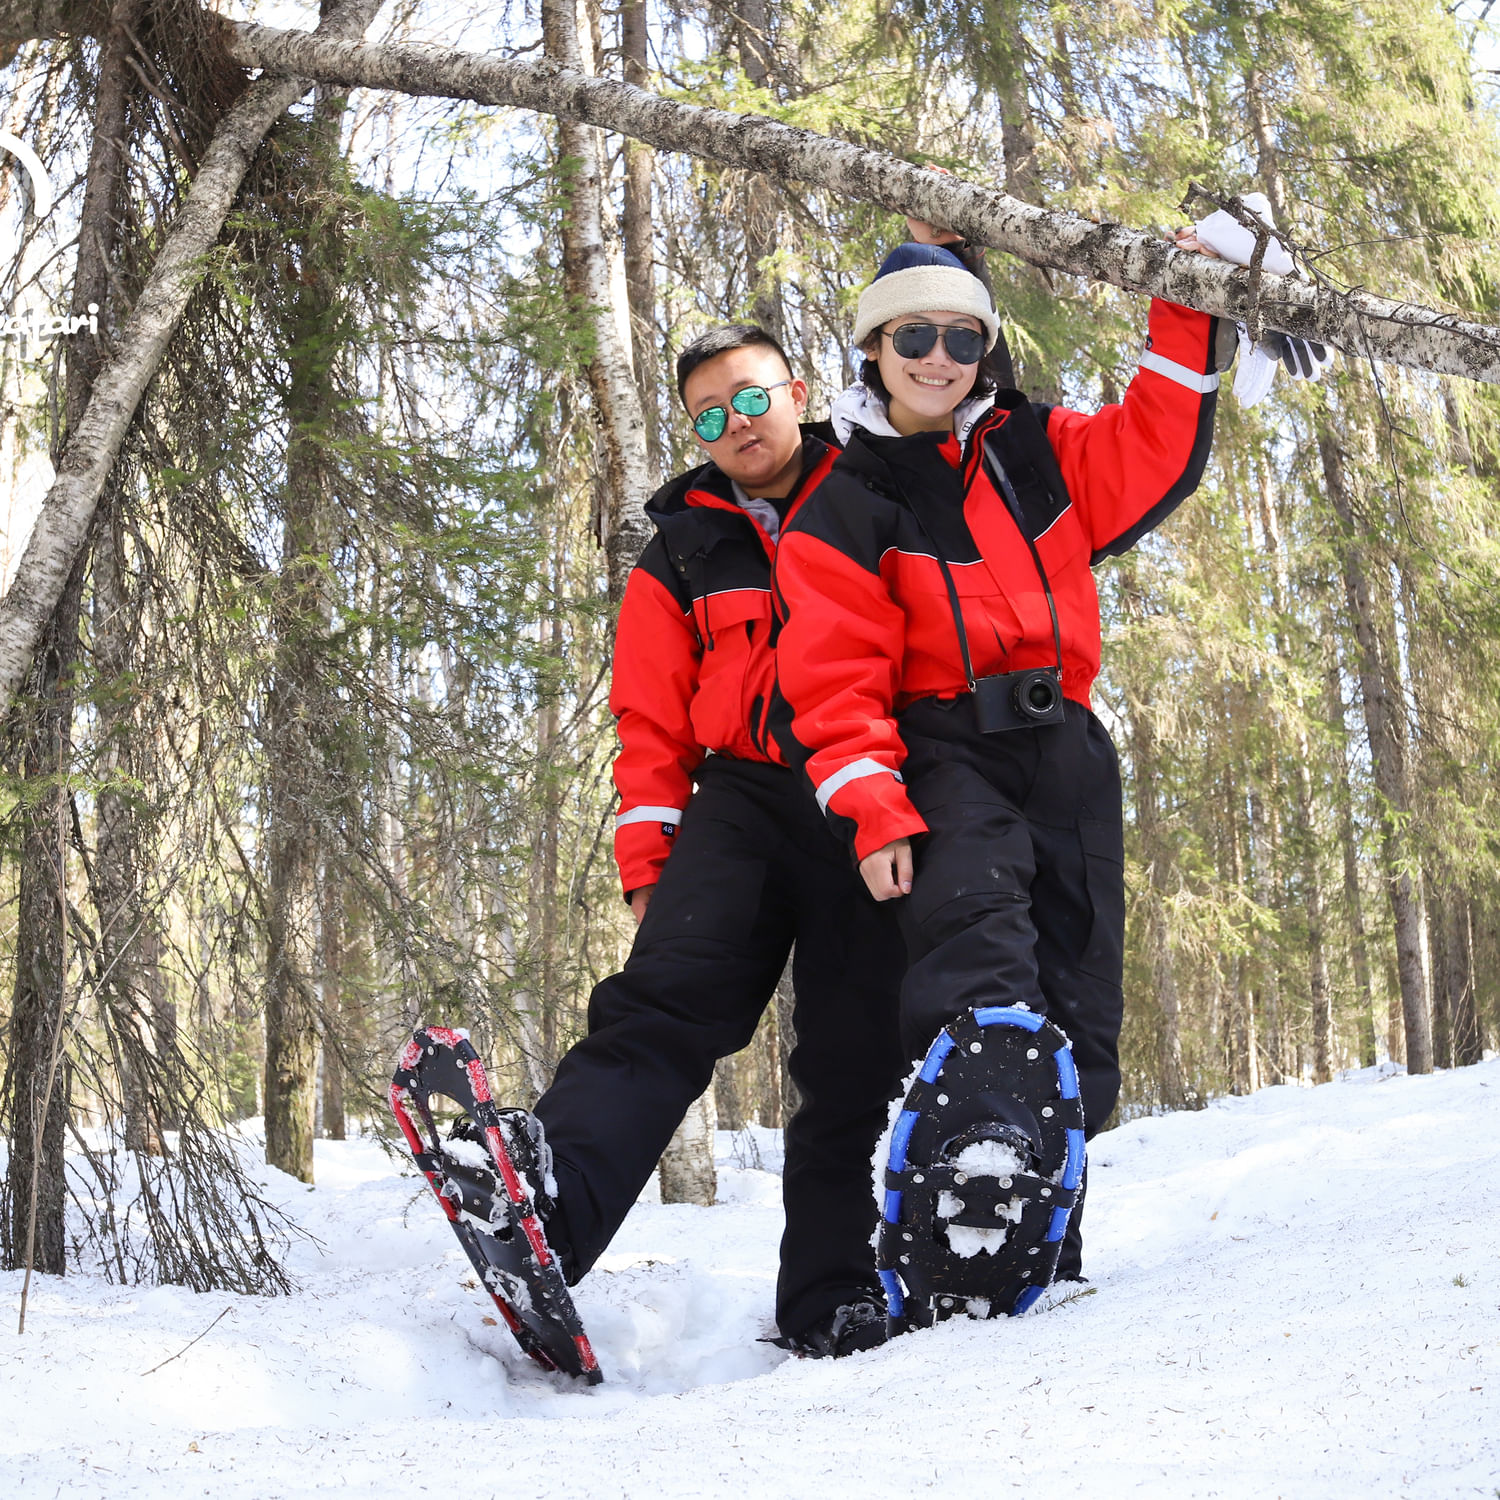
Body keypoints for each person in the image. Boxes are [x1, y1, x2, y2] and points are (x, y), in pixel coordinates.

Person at [771, 236, 1234, 1287]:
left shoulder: (1037, 449)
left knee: (1083, 1003)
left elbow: (1154, 446)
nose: (940, 358)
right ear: (873, 348)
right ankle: (969, 1186)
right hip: (944, 748)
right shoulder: (842, 503)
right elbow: (832, 678)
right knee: (982, 958)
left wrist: (1188, 301)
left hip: (1064, 744)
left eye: (963, 337)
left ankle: (1040, 1233)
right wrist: (876, 811)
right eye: (916, 336)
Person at [508, 324, 908, 1358]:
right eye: (710, 417)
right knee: (660, 1004)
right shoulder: (680, 545)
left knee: (853, 1060)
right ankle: (548, 1213)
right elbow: (648, 720)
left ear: (797, 389)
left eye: (752, 398)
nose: (738, 427)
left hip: (864, 792)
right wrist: (648, 865)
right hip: (739, 802)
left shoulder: (872, 482)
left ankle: (835, 1296)